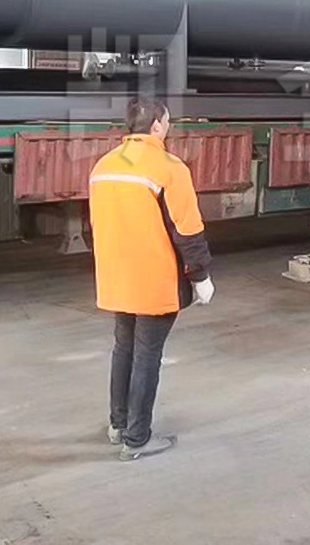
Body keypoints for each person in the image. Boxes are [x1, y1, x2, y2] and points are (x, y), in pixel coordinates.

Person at [88, 97, 215, 460]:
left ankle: (118, 425)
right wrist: (201, 276)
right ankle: (137, 439)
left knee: (123, 349)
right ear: (157, 126)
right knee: (147, 355)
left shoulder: (104, 165)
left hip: (116, 277)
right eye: (168, 121)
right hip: (154, 279)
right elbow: (187, 230)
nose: (169, 127)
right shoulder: (169, 167)